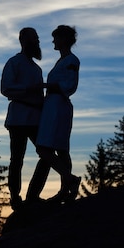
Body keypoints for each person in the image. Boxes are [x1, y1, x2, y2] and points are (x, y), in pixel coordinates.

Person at [1, 27, 50, 210]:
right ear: (24, 41)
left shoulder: (36, 68)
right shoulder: (14, 63)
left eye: (37, 39)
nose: (37, 42)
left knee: (47, 155)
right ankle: (15, 197)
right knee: (17, 159)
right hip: (19, 118)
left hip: (36, 119)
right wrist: (27, 89)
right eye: (34, 39)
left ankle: (33, 195)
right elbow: (6, 88)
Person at [34, 25, 82, 204]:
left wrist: (43, 86)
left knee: (45, 148)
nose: (53, 41)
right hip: (53, 105)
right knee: (61, 150)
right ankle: (66, 188)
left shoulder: (71, 61)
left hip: (58, 106)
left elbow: (69, 85)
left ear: (64, 39)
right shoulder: (63, 61)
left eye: (56, 38)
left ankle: (69, 180)